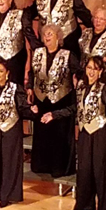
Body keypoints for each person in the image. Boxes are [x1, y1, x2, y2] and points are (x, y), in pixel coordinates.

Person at [54, 56, 106, 210]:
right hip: (85, 132)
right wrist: (55, 115)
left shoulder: (104, 88)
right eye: (89, 68)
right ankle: (83, 205)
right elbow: (75, 108)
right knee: (84, 169)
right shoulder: (81, 87)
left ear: (100, 72)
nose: (91, 71)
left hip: (100, 133)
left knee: (100, 171)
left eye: (95, 68)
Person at [0, 62, 37, 208]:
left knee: (10, 162)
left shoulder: (15, 89)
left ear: (7, 73)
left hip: (11, 128)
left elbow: (23, 109)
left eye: (1, 71)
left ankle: (8, 195)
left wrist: (32, 111)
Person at [26, 24, 80, 177]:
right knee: (43, 134)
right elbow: (32, 73)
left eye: (50, 34)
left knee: (59, 137)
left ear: (58, 37)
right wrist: (29, 87)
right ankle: (42, 166)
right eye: (45, 35)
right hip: (42, 99)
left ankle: (59, 168)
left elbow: (79, 71)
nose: (47, 37)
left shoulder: (68, 55)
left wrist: (76, 78)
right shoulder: (37, 53)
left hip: (61, 100)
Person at [23, 0, 93, 56]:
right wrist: (32, 39)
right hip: (45, 44)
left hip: (68, 43)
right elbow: (29, 13)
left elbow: (85, 16)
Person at [78, 7, 106, 86]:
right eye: (96, 18)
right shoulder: (86, 33)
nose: (98, 21)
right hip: (85, 75)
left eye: (101, 19)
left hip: (103, 77)